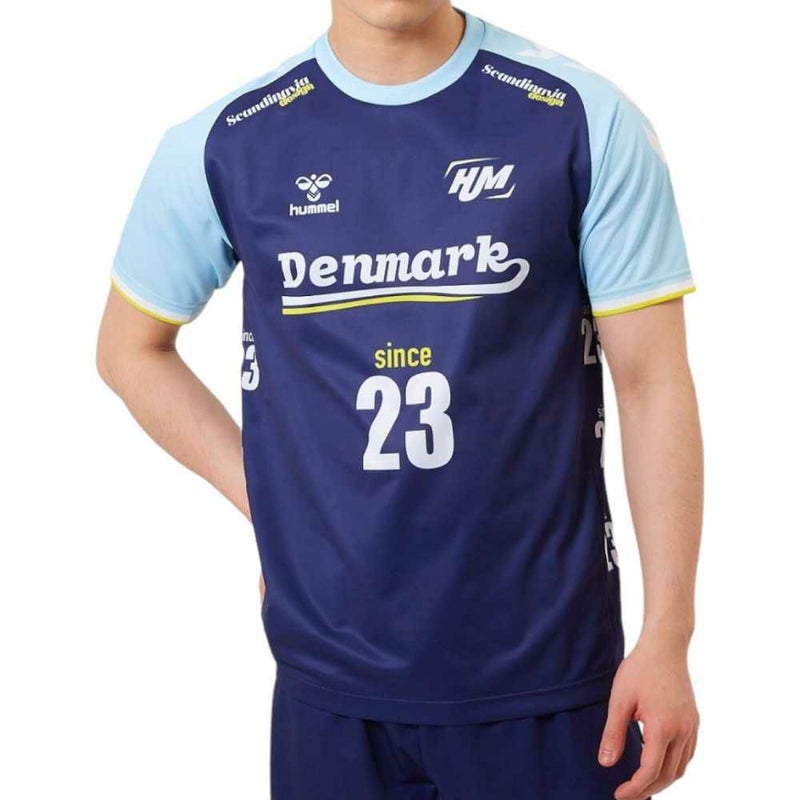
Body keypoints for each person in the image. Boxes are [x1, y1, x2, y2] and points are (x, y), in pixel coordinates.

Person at [97, 2, 703, 798]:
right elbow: (129, 350)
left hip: (547, 675)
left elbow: (652, 383)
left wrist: (668, 635)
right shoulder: (225, 141)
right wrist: (273, 506)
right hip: (329, 680)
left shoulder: (582, 120)